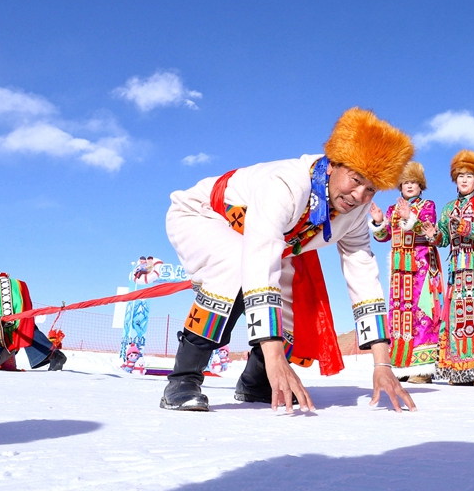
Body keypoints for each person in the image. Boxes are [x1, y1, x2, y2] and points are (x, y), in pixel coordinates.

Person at [161, 107, 417, 413]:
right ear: (333, 164)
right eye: (355, 179)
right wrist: (276, 358)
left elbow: (363, 275)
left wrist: (382, 364)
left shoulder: (357, 212)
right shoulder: (287, 184)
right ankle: (183, 380)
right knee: (235, 267)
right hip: (202, 214)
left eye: (371, 189)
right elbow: (259, 260)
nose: (359, 196)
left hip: (261, 241)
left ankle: (256, 382)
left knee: (291, 294)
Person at [423, 150, 474, 386]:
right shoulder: (448, 208)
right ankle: (459, 371)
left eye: (469, 176)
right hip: (458, 268)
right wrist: (433, 235)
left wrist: (466, 228)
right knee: (457, 317)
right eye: (460, 175)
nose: (464, 180)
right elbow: (443, 239)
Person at [369, 161, 443, 383]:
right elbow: (384, 237)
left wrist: (411, 217)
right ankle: (402, 366)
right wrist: (379, 222)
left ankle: (422, 370)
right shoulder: (392, 210)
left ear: (421, 186)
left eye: (413, 182)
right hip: (399, 271)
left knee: (421, 313)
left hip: (421, 266)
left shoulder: (428, 205)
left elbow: (427, 229)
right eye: (405, 182)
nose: (409, 186)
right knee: (399, 314)